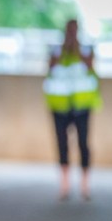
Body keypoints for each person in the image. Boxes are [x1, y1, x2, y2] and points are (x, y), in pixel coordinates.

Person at [43, 19, 102, 201]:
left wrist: (76, 50)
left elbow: (91, 67)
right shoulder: (56, 51)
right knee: (62, 144)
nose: (71, 34)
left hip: (81, 106)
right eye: (69, 31)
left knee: (83, 144)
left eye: (74, 31)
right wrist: (64, 51)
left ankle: (85, 185)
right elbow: (50, 68)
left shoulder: (85, 50)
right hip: (60, 106)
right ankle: (65, 185)